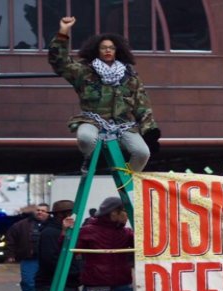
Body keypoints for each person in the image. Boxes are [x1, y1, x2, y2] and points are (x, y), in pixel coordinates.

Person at [48, 16, 161, 174]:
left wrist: (150, 132)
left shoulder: (130, 77)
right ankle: (90, 157)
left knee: (143, 153)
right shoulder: (84, 72)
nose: (108, 50)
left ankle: (125, 178)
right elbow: (60, 63)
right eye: (103, 47)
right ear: (96, 50)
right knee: (85, 139)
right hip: (92, 120)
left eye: (112, 48)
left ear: (117, 51)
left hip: (122, 124)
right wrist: (63, 31)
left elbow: (142, 106)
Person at [5, 204, 50, 291]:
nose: (40, 212)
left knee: (47, 282)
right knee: (28, 281)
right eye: (38, 210)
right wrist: (10, 254)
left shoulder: (54, 225)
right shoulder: (22, 225)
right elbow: (11, 239)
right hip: (29, 258)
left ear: (48, 213)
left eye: (43, 211)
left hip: (48, 260)